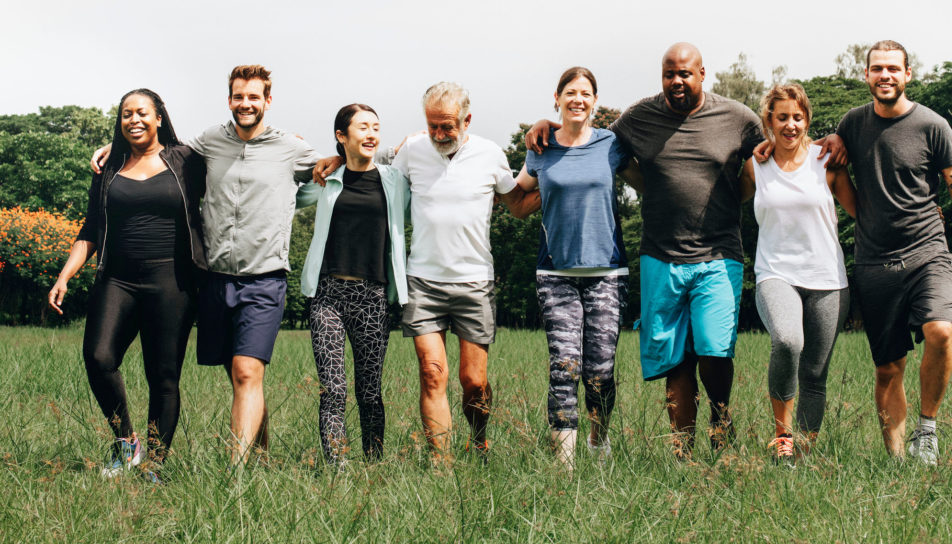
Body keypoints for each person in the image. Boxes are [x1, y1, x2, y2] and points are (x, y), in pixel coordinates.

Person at [527, 43, 846, 456]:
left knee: (714, 350)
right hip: (660, 253)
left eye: (685, 74)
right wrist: (547, 124)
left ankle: (720, 417)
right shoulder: (639, 117)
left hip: (718, 253)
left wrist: (831, 138)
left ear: (702, 74)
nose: (677, 82)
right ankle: (682, 451)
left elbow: (786, 138)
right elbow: (586, 134)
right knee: (674, 360)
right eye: (669, 74)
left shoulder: (736, 116)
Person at [92, 65, 320, 464]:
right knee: (239, 375)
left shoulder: (291, 148)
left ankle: (235, 476)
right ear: (229, 99)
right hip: (214, 278)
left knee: (247, 373)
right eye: (238, 96)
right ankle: (261, 453)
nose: (245, 104)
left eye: (254, 97)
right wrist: (117, 147)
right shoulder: (209, 142)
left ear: (268, 101)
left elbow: (333, 170)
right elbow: (163, 148)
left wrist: (285, 202)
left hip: (265, 276)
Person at [316, 82, 534, 459]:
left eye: (447, 126)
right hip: (423, 283)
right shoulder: (413, 152)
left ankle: (479, 441)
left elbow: (515, 203)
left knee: (474, 382)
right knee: (433, 373)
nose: (438, 134)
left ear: (467, 120)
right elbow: (370, 171)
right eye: (432, 125)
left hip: (475, 281)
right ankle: (442, 462)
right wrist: (338, 158)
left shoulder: (490, 154)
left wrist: (555, 170)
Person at [837, 41, 952, 464]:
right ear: (866, 75)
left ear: (907, 75)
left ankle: (928, 431)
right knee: (889, 367)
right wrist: (862, 215)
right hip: (874, 262)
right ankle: (898, 460)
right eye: (876, 69)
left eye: (893, 69)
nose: (885, 75)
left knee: (940, 330)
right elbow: (831, 169)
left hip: (927, 251)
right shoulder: (850, 124)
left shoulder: (932, 125)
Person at [50, 89, 207, 481]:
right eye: (125, 114)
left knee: (163, 375)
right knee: (99, 358)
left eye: (141, 113)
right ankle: (126, 442)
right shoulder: (109, 167)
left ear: (158, 118)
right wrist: (64, 276)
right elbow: (89, 229)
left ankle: (154, 465)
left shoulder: (186, 161)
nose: (133, 119)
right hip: (117, 279)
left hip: (172, 281)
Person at [513, 67, 636, 467]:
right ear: (557, 98)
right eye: (571, 92)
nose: (578, 99)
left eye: (585, 93)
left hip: (606, 272)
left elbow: (650, 174)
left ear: (595, 102)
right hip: (555, 274)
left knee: (600, 373)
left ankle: (598, 445)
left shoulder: (612, 144)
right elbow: (516, 197)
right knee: (564, 367)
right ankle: (562, 467)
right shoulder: (541, 147)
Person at [738, 83, 856, 462]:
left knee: (815, 375)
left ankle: (803, 453)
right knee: (788, 341)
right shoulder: (756, 164)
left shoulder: (826, 160)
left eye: (797, 117)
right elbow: (722, 203)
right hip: (775, 273)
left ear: (807, 120)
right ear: (768, 121)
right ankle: (783, 437)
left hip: (828, 279)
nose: (790, 125)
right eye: (782, 117)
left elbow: (863, 213)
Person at [296, 104, 409, 464]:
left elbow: (417, 142)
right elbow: (288, 196)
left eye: (376, 126)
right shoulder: (326, 181)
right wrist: (325, 159)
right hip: (327, 296)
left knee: (370, 391)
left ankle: (373, 464)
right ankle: (338, 466)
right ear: (342, 136)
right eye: (362, 127)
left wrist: (380, 152)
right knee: (333, 389)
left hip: (372, 296)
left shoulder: (394, 181)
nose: (372, 133)